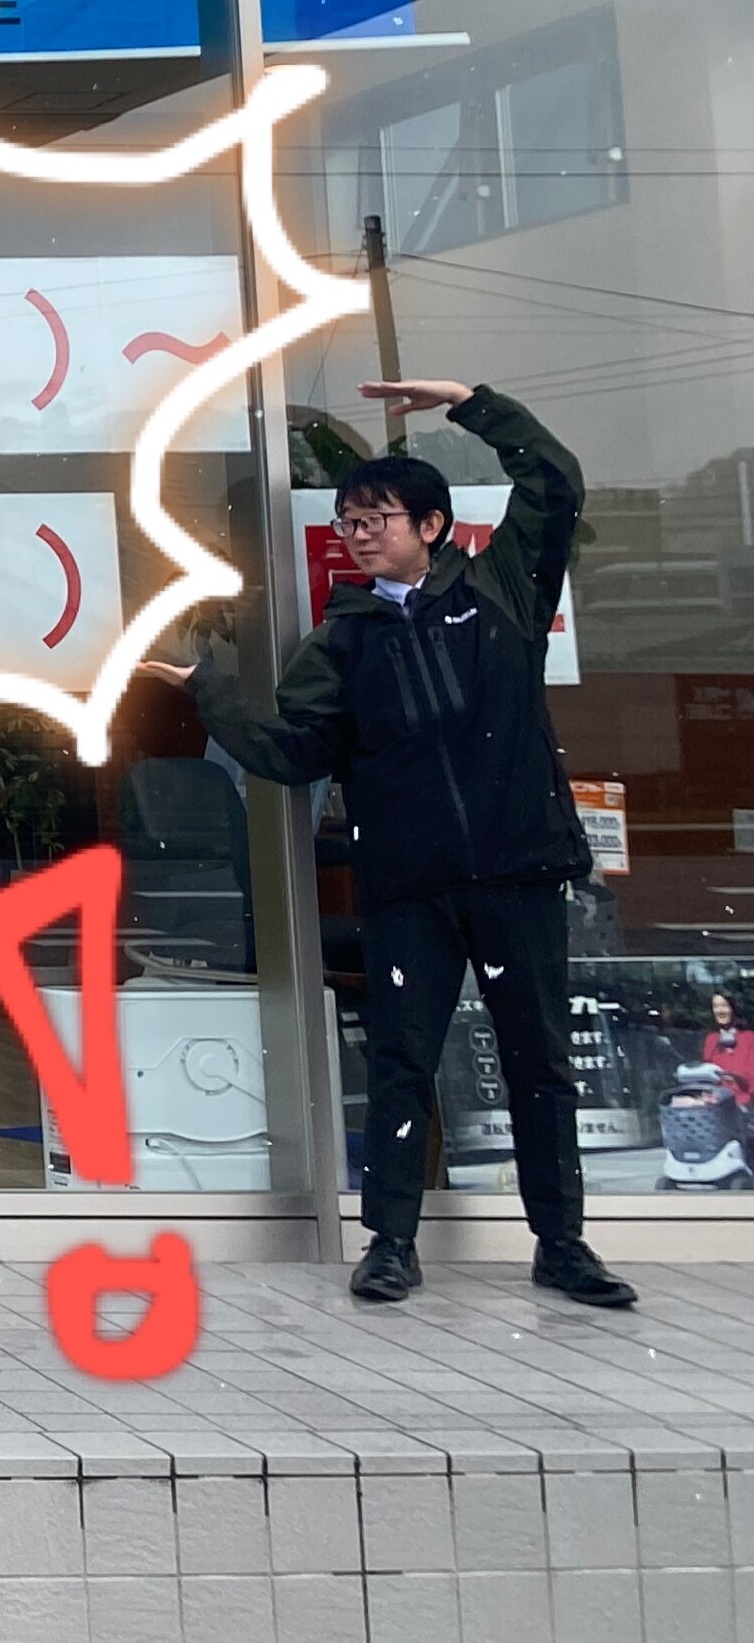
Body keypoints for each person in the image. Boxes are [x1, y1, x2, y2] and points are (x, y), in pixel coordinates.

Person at [143, 375, 634, 1311]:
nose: (360, 533)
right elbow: (291, 753)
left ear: (433, 526)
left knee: (539, 1063)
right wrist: (209, 690)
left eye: (378, 518)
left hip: (521, 870)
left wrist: (469, 401)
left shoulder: (502, 590)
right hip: (409, 884)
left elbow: (555, 480)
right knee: (403, 1061)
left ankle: (562, 1243)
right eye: (350, 521)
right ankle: (391, 1244)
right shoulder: (344, 639)